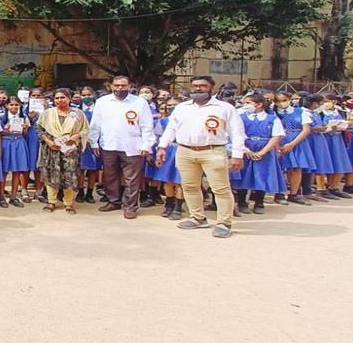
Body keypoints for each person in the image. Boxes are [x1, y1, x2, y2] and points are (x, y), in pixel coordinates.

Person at [155, 76, 245, 239]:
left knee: (221, 188)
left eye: (203, 86)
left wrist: (238, 155)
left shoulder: (224, 108)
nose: (198, 89)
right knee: (189, 186)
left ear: (211, 87)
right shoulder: (182, 107)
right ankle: (197, 217)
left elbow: (237, 132)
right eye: (195, 86)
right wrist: (162, 146)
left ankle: (224, 222)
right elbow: (171, 128)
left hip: (213, 151)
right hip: (185, 151)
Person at [88, 76, 155, 219]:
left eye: (123, 86)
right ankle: (113, 201)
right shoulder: (102, 102)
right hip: (109, 144)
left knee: (132, 178)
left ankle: (130, 206)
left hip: (133, 146)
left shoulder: (139, 102)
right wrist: (93, 142)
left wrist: (146, 145)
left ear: (129, 86)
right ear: (111, 86)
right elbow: (95, 125)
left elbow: (147, 125)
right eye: (117, 85)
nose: (119, 88)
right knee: (110, 175)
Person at [230, 93, 286, 215]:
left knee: (262, 175)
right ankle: (242, 202)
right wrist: (246, 150)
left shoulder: (272, 118)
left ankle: (259, 202)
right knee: (243, 175)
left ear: (259, 104)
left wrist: (263, 152)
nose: (245, 106)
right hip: (245, 148)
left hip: (264, 148)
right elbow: (235, 133)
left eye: (248, 103)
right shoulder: (240, 117)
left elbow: (277, 136)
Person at [37, 89, 89, 213]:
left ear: (69, 98)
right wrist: (48, 142)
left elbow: (85, 129)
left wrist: (77, 136)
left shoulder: (77, 113)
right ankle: (51, 202)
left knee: (69, 175)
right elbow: (39, 129)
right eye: (57, 98)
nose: (59, 100)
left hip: (70, 149)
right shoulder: (48, 113)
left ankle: (69, 203)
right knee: (51, 174)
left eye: (62, 97)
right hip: (52, 149)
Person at [0, 97, 31, 207]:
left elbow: (25, 134)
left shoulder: (23, 117)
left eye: (16, 105)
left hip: (19, 142)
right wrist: (4, 130)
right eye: (11, 105)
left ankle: (14, 196)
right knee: (4, 171)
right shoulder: (1, 117)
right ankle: (1, 195)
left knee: (17, 171)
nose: (14, 107)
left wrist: (25, 128)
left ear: (20, 106)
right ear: (7, 106)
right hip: (6, 143)